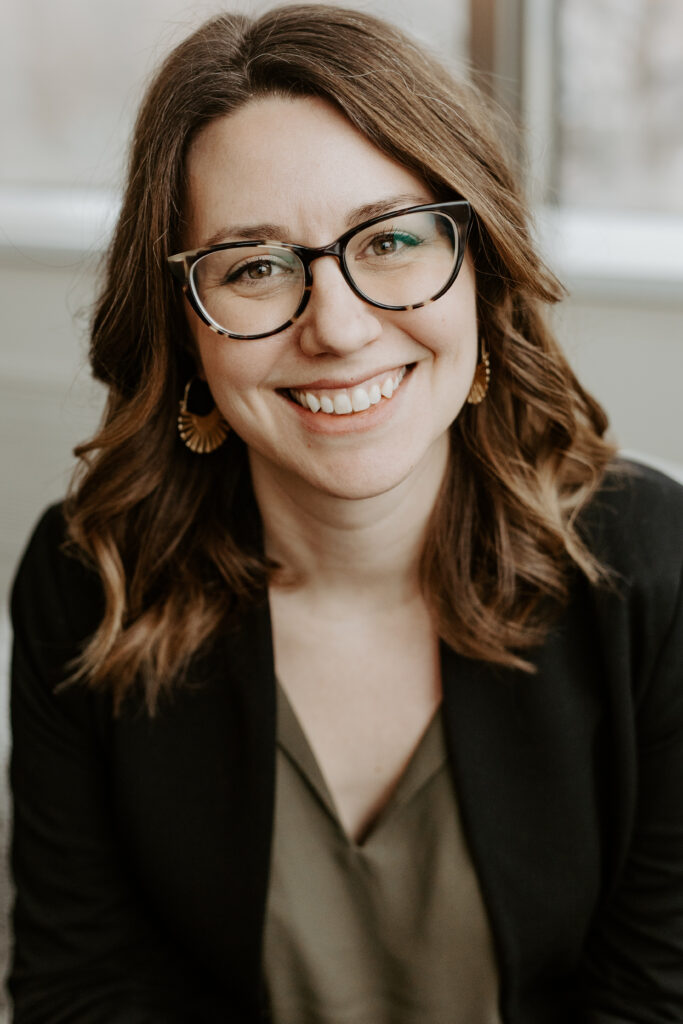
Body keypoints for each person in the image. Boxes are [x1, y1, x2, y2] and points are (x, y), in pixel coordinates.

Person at [8, 4, 683, 1022]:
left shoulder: (650, 565)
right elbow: (84, 989)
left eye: (392, 239)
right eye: (253, 267)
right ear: (187, 332)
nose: (336, 326)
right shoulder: (90, 577)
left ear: (479, 270)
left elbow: (656, 993)